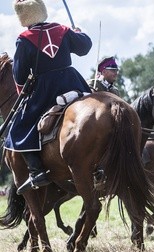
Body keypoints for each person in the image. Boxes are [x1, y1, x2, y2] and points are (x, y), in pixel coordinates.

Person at [5, 0, 92, 194]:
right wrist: (79, 33)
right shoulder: (62, 29)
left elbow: (19, 75)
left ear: (23, 17)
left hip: (45, 89)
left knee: (19, 126)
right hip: (72, 81)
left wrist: (23, 93)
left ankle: (36, 171)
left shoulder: (24, 38)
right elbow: (84, 48)